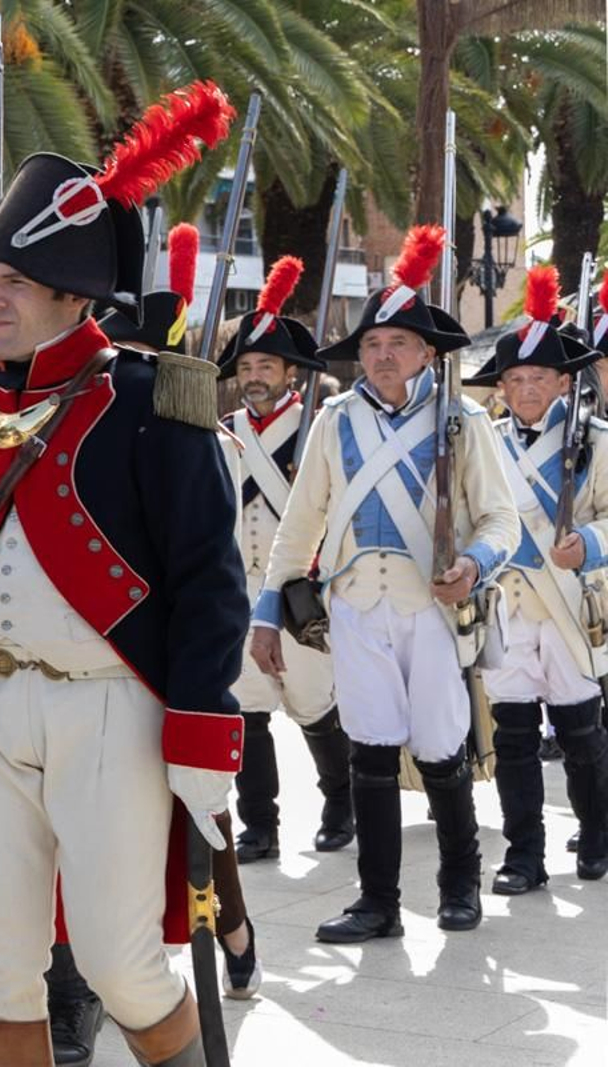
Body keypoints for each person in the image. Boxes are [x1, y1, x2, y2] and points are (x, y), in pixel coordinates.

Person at [0, 85, 245, 1066]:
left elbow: (209, 581)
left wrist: (202, 730)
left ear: (75, 293)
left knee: (119, 963)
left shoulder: (151, 401)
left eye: (15, 282)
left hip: (107, 707)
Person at [250, 224, 520, 943]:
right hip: (355, 609)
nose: (382, 355)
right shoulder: (335, 421)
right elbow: (298, 527)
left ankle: (459, 885)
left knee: (440, 748)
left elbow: (501, 519)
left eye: (398, 342)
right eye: (372, 343)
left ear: (427, 353)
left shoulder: (461, 421)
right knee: (368, 752)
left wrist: (475, 564)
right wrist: (268, 613)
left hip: (433, 608)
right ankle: (378, 902)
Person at [99, 223, 262, 1004]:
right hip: (107, 649)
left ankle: (234, 926)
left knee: (202, 817)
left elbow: (209, 563)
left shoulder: (201, 435)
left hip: (174, 651)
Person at [464, 265, 608, 892]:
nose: (526, 389)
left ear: (565, 381)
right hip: (506, 608)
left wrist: (592, 544)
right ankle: (524, 856)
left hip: (572, 603)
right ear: (500, 387)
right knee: (515, 738)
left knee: (583, 735)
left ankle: (598, 833)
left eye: (540, 377)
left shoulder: (597, 440)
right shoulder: (482, 443)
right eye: (516, 379)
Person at [210, 255, 354, 863]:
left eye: (266, 365)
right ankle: (260, 826)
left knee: (315, 705)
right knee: (247, 711)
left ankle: (341, 803)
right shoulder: (223, 429)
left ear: (291, 372)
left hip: (299, 590)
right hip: (239, 591)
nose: (254, 376)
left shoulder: (316, 428)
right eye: (246, 366)